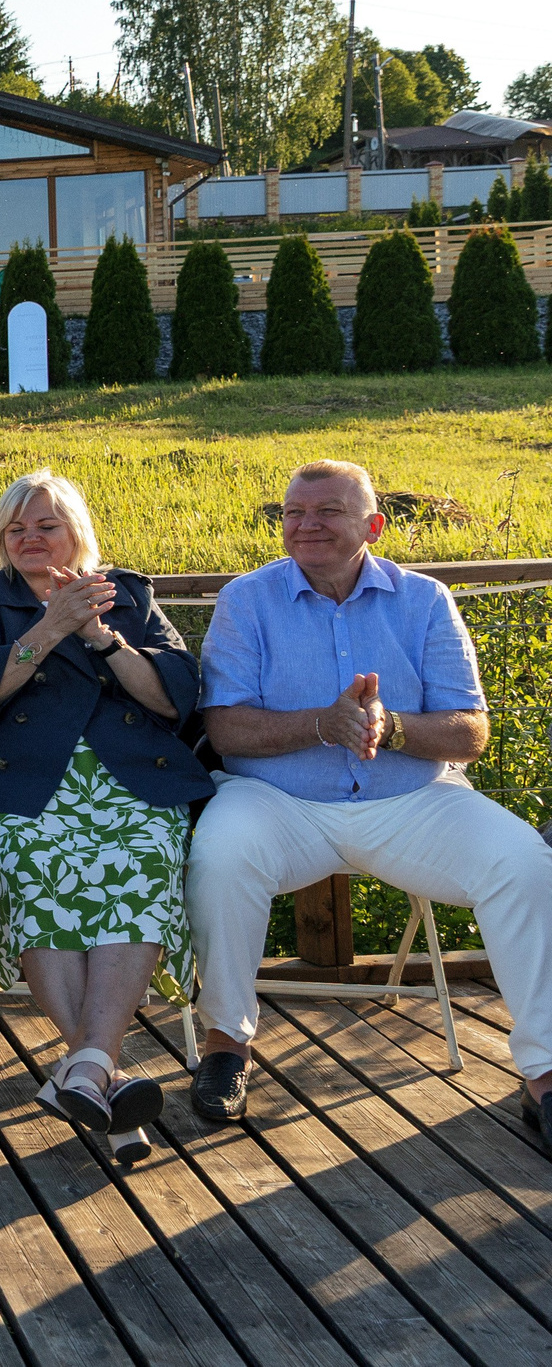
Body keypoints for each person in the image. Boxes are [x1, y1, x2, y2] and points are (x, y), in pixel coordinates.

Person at [187, 459, 552, 1136]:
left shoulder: (425, 600)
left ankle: (544, 1072)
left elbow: (471, 731)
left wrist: (396, 728)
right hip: (275, 800)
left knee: (525, 862)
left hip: (410, 799)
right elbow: (223, 724)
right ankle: (226, 1044)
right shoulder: (246, 599)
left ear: (373, 525)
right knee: (220, 854)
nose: (305, 524)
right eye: (294, 511)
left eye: (328, 511)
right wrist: (322, 723)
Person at [0, 471, 205, 1152]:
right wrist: (52, 627)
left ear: (75, 532)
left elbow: (174, 697)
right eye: (15, 528)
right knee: (30, 867)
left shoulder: (127, 593)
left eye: (45, 526)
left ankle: (83, 1072)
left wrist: (103, 637)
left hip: (124, 780)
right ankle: (98, 1075)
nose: (28, 538)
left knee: (143, 859)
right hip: (14, 783)